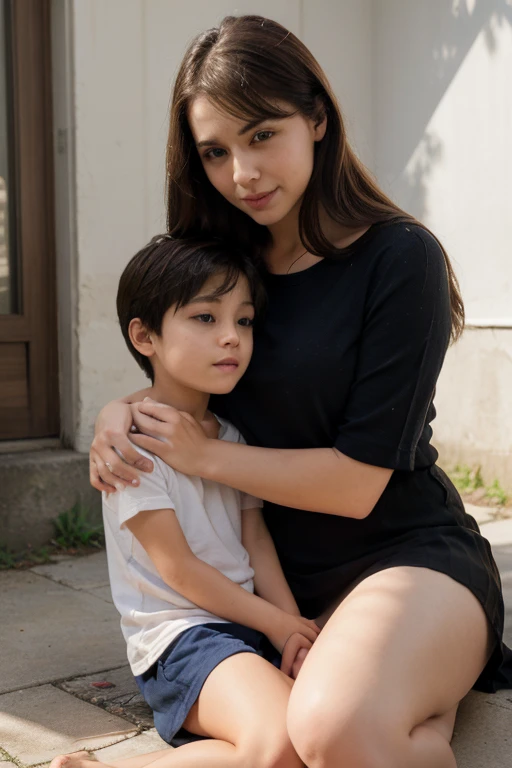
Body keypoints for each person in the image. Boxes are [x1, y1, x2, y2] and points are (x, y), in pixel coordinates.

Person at [88, 15, 512, 768]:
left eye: (261, 136)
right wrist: (119, 412)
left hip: (409, 557)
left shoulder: (399, 259)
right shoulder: (229, 266)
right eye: (215, 152)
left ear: (316, 119)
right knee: (308, 738)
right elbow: (182, 367)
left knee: (330, 730)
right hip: (271, 590)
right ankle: (423, 731)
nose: (242, 174)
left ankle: (409, 701)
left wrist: (204, 459)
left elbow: (356, 484)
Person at [52, 235, 320, 768]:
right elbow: (179, 569)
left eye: (243, 321)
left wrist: (294, 632)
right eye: (205, 318)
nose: (231, 338)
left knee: (312, 731)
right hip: (181, 640)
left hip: (245, 626)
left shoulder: (229, 435)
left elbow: (255, 541)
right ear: (144, 335)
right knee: (284, 742)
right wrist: (275, 623)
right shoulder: (130, 446)